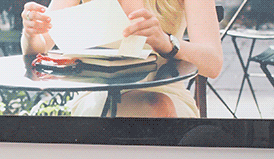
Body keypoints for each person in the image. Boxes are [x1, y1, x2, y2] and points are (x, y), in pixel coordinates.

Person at [19, 0, 223, 116]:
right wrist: (31, 32)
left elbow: (213, 64)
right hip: (97, 95)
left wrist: (168, 44)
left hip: (169, 96)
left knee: (157, 107)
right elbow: (41, 46)